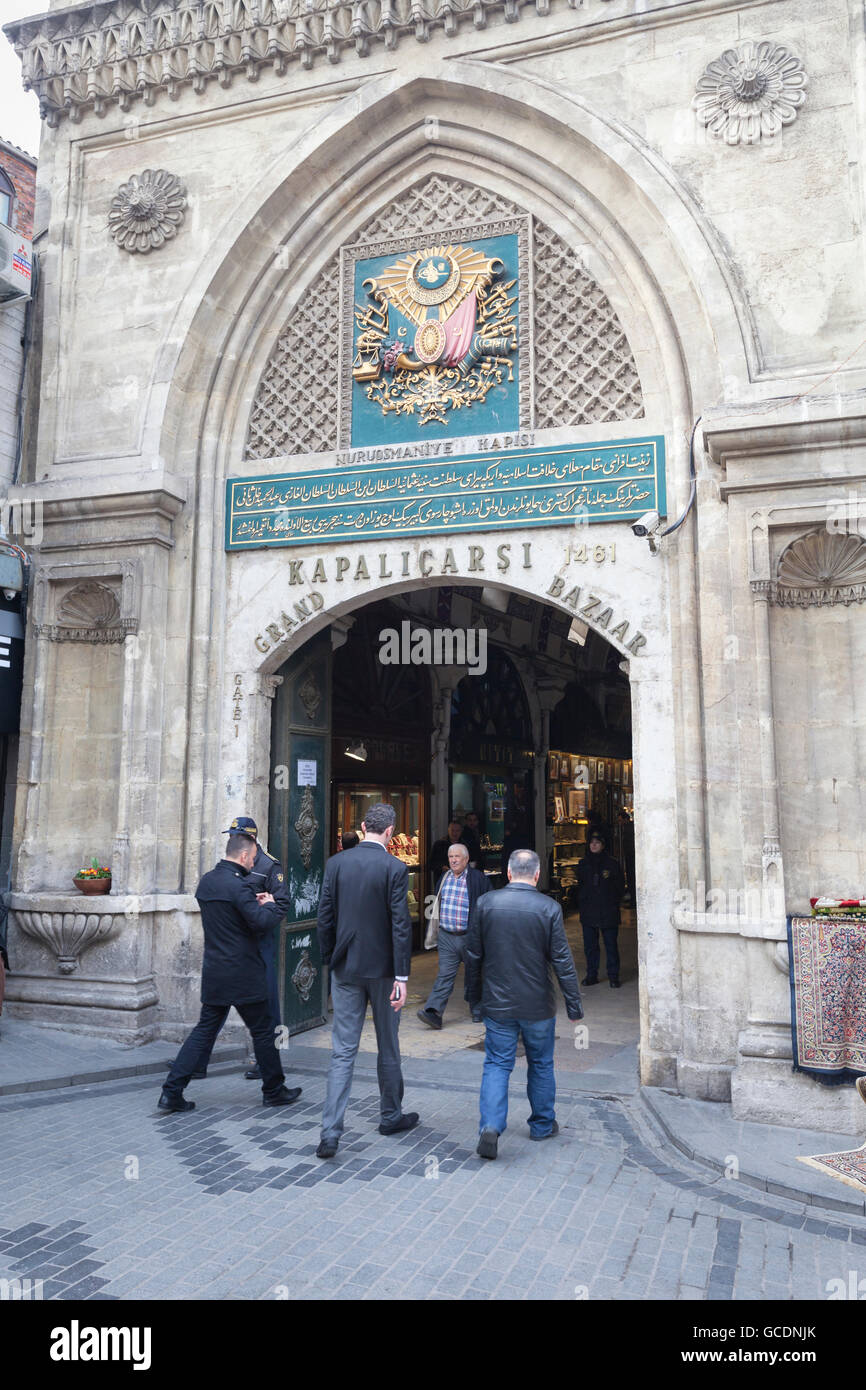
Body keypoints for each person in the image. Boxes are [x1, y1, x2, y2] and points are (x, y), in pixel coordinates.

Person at [157, 834, 303, 1112]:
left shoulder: (208, 881)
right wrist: (269, 903)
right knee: (263, 1031)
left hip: (215, 971)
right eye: (252, 857)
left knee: (203, 1031)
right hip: (244, 973)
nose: (253, 862)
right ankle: (274, 1090)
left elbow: (230, 918)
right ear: (245, 856)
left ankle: (171, 1091)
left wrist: (251, 902)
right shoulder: (239, 886)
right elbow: (261, 923)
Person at [315, 802, 418, 1159]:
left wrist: (330, 958)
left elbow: (323, 917)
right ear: (390, 832)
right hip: (385, 971)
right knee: (388, 1045)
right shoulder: (394, 867)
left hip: (345, 968)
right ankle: (390, 1115)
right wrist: (402, 975)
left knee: (343, 1051)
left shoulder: (336, 863)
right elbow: (400, 924)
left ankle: (330, 1132)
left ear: (362, 827)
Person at [465, 849, 582, 1159]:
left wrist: (474, 1000)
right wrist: (573, 1005)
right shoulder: (549, 908)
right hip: (538, 1005)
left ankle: (490, 1126)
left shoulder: (486, 903)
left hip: (498, 1003)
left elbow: (473, 956)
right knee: (541, 1063)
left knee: (496, 1064)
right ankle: (542, 1124)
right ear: (537, 874)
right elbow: (562, 961)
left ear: (507, 872)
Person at [220, 816, 289, 1082]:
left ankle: (269, 1062)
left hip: (260, 942)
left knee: (269, 1002)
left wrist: (261, 911)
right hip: (234, 941)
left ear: (250, 839)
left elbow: (282, 905)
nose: (231, 839)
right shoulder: (233, 862)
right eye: (230, 834)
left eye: (236, 835)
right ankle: (197, 1058)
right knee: (216, 1004)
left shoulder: (269, 866)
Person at [417, 843, 491, 1030]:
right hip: (447, 936)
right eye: (451, 857)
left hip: (469, 937)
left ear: (466, 859)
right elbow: (435, 904)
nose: (454, 860)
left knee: (475, 974)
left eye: (457, 857)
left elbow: (488, 905)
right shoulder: (444, 877)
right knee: (444, 975)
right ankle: (434, 1012)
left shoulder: (478, 879)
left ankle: (477, 1008)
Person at [576, 829, 625, 988]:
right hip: (589, 910)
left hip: (608, 910)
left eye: (597, 842)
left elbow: (619, 887)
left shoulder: (612, 864)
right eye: (591, 842)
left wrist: (612, 901)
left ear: (603, 845)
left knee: (611, 945)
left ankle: (613, 976)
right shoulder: (583, 864)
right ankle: (591, 975)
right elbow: (580, 885)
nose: (594, 845)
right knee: (590, 946)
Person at [618, 808, 636, 907]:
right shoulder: (628, 828)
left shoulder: (629, 829)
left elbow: (629, 845)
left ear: (625, 819)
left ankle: (633, 901)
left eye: (620, 820)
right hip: (629, 857)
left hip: (631, 858)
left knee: (631, 879)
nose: (619, 823)